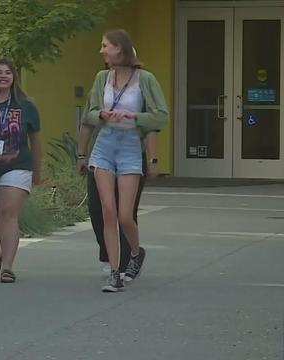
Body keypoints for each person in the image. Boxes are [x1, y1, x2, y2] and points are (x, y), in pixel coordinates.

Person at [82, 29, 168, 292]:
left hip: (130, 146)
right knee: (107, 210)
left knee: (124, 215)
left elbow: (161, 116)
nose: (102, 50)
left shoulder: (146, 79)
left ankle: (135, 253)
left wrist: (134, 118)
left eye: (105, 45)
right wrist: (103, 115)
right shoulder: (102, 78)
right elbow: (90, 114)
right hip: (105, 145)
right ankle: (115, 272)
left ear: (120, 48)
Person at [0, 58, 42, 283]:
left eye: (8, 73)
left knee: (7, 212)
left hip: (17, 164)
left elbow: (36, 141)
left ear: (14, 77)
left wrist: (37, 171)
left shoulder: (26, 105)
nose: (3, 76)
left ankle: (7, 267)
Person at [77, 105, 159, 277]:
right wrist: (81, 155)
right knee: (98, 210)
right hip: (101, 157)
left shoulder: (140, 89)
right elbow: (86, 123)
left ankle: (125, 262)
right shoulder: (99, 87)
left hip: (132, 154)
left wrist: (153, 160)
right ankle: (108, 254)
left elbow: (151, 126)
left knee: (126, 213)